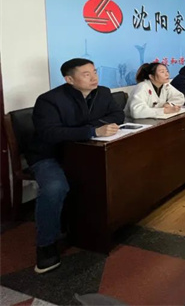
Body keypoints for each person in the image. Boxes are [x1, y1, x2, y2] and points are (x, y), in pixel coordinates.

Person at [28, 58, 125, 273]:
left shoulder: (103, 93)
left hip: (86, 154)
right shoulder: (49, 100)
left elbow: (118, 115)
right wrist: (92, 131)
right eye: (86, 74)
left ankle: (104, 226)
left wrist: (90, 128)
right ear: (69, 79)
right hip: (50, 155)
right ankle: (46, 245)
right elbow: (50, 133)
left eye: (94, 72)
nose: (94, 78)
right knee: (54, 187)